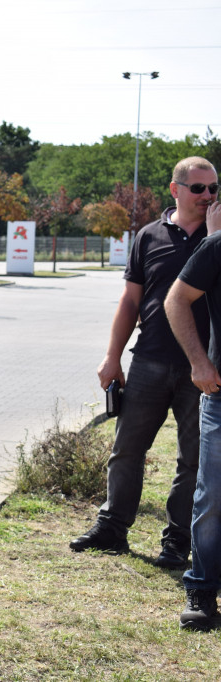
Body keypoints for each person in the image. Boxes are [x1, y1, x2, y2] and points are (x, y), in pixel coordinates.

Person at [70, 157, 216, 569]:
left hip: (203, 368)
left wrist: (215, 237)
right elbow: (130, 301)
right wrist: (111, 356)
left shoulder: (219, 237)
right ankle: (112, 528)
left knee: (193, 460)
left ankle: (177, 542)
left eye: (214, 189)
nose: (208, 196)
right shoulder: (149, 236)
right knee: (127, 449)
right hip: (149, 360)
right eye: (198, 188)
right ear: (175, 189)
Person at [163, 196, 221, 630]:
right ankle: (201, 588)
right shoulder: (217, 246)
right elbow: (176, 300)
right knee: (213, 498)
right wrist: (199, 363)